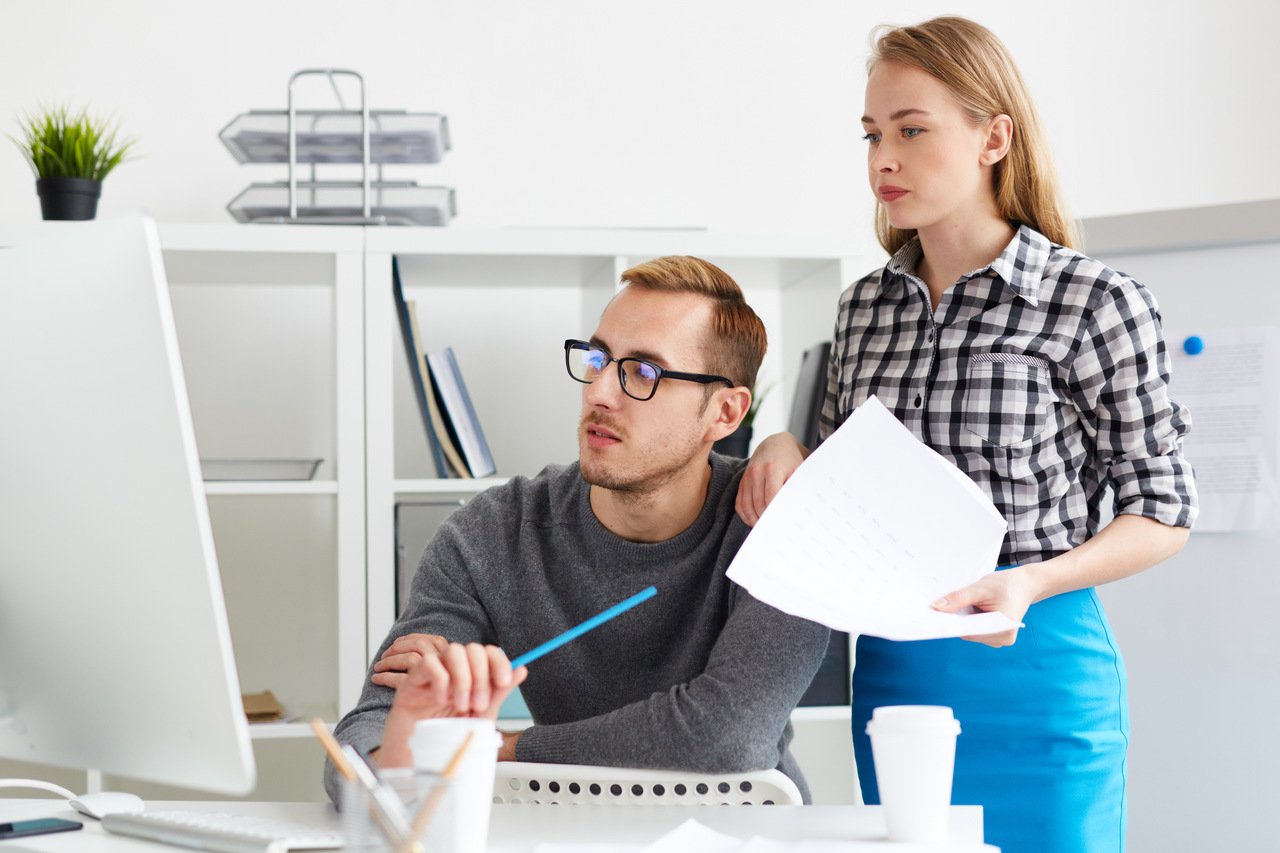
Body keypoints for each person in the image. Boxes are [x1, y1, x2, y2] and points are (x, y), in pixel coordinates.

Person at [735, 16, 1196, 853]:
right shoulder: (864, 308)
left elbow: (1163, 512)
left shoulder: (1093, 301)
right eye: (873, 133)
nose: (883, 157)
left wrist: (1029, 581)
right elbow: (843, 483)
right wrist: (780, 444)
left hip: (1039, 662)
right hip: (898, 675)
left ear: (994, 136)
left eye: (912, 130)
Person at [325, 256, 830, 804]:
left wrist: (499, 749)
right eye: (598, 358)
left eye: (643, 372)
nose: (599, 393)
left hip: (748, 830)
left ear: (725, 414)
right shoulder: (491, 534)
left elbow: (729, 738)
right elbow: (360, 746)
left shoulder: (778, 526)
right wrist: (402, 748)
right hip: (565, 830)